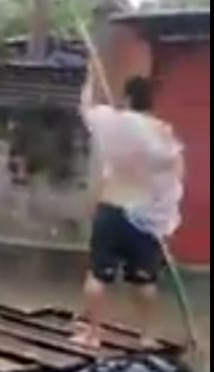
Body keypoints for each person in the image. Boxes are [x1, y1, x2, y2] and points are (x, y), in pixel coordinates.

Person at [74, 74, 185, 348]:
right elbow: (177, 172)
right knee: (144, 281)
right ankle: (147, 336)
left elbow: (85, 107)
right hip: (145, 216)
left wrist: (91, 79)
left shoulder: (110, 121)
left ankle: (93, 335)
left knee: (99, 275)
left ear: (127, 98)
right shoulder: (161, 133)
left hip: (112, 207)